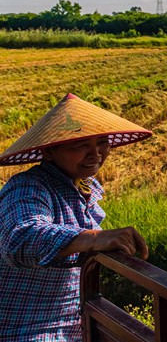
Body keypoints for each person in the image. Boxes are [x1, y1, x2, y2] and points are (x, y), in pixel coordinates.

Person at [0, 93, 152, 341]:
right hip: (26, 330)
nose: (95, 154)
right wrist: (94, 238)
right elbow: (21, 238)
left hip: (74, 326)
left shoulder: (82, 187)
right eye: (80, 145)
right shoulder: (28, 186)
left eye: (102, 142)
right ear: (49, 152)